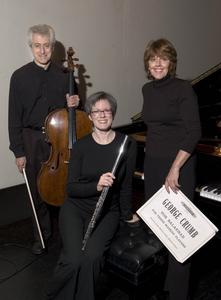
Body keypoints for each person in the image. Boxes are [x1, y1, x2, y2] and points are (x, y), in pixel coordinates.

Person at [46, 91, 137, 300]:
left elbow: (126, 186)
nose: (102, 115)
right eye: (97, 111)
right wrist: (96, 186)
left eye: (107, 110)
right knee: (74, 259)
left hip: (108, 211)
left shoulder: (126, 144)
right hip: (76, 208)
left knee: (93, 257)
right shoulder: (81, 146)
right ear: (89, 116)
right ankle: (55, 295)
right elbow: (71, 188)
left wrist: (127, 215)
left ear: (113, 113)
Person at [8, 24, 79, 255]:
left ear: (52, 47)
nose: (42, 51)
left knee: (63, 189)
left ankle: (68, 234)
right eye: (37, 46)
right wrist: (18, 151)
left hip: (57, 141)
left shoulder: (65, 75)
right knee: (37, 191)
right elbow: (13, 116)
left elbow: (76, 115)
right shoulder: (19, 77)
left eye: (46, 45)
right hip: (31, 139)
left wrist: (74, 106)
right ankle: (42, 236)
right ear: (31, 47)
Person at [142, 38, 201, 300]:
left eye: (163, 59)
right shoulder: (146, 89)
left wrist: (174, 168)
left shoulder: (183, 88)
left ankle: (178, 294)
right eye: (153, 59)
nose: (158, 63)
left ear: (171, 63)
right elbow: (154, 127)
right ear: (147, 63)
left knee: (179, 237)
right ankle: (160, 288)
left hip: (178, 168)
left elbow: (193, 133)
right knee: (156, 229)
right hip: (153, 165)